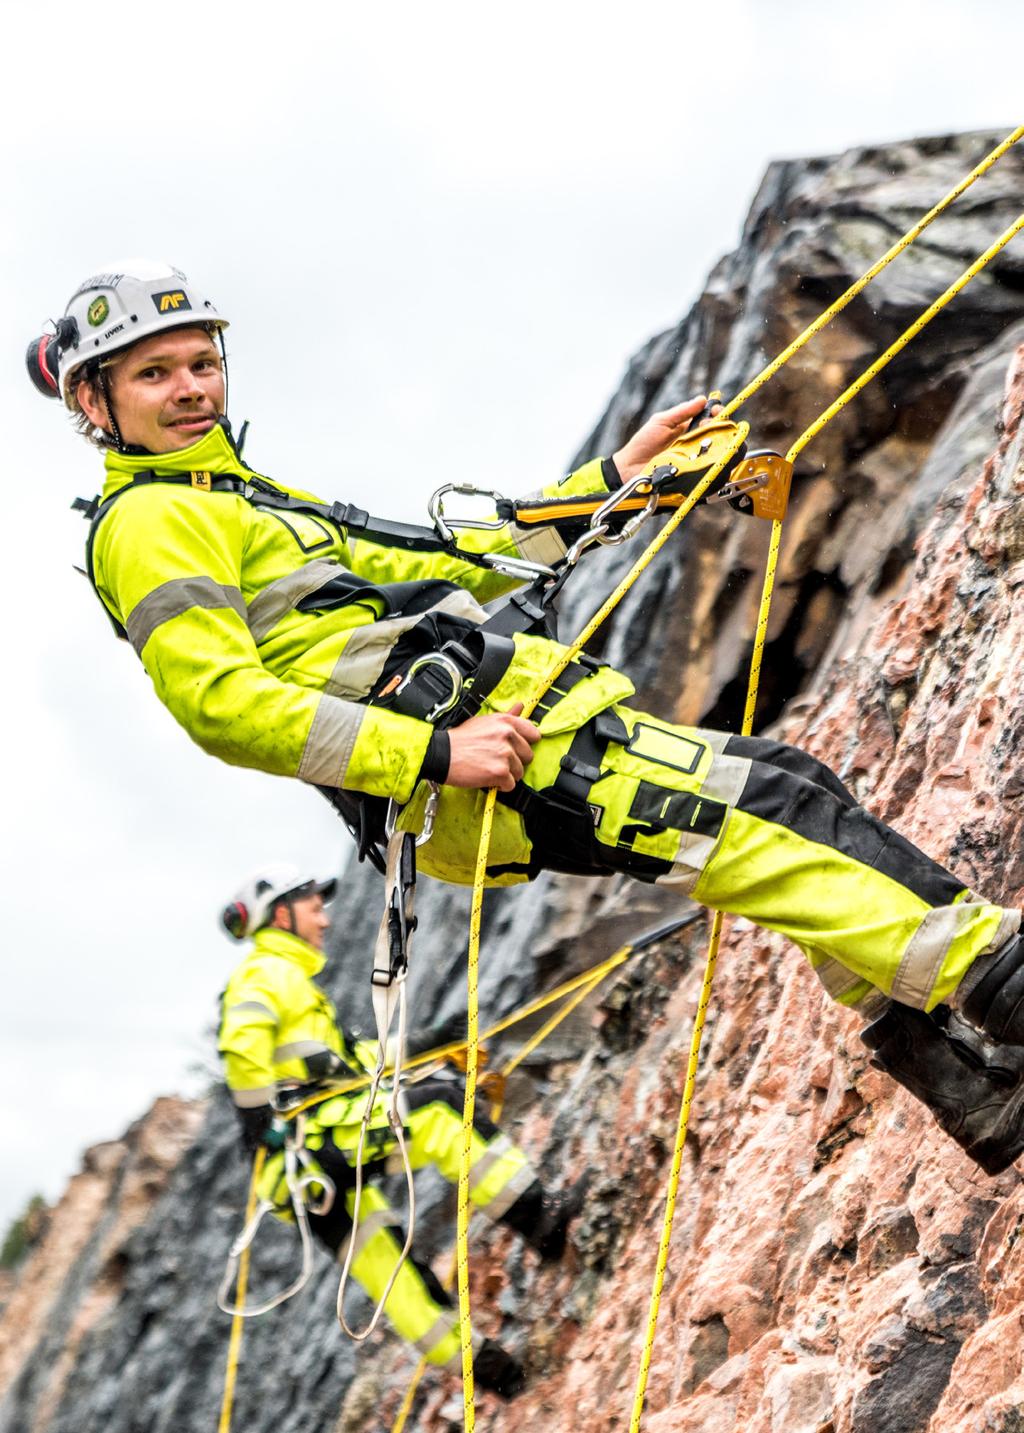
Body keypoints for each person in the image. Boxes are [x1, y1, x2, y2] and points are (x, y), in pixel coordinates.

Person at [28, 260, 1024, 1175]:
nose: (194, 387)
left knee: (788, 789)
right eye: (155, 373)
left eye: (202, 361)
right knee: (758, 815)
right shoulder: (149, 522)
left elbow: (458, 560)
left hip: (511, 727)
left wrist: (615, 480)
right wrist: (435, 750)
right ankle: (992, 977)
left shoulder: (230, 496)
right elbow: (221, 706)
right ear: (92, 398)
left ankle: (960, 1078)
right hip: (484, 752)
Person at [218, 864, 584, 1396]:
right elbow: (242, 1043)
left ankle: (488, 1371)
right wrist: (257, 1121)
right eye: (314, 907)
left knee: (383, 1262)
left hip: (295, 1171)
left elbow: (348, 1060)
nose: (324, 917)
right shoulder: (266, 973)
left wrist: (428, 1041)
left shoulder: (290, 984)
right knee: (439, 1112)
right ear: (282, 915)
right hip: (312, 1146)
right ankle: (541, 1222)